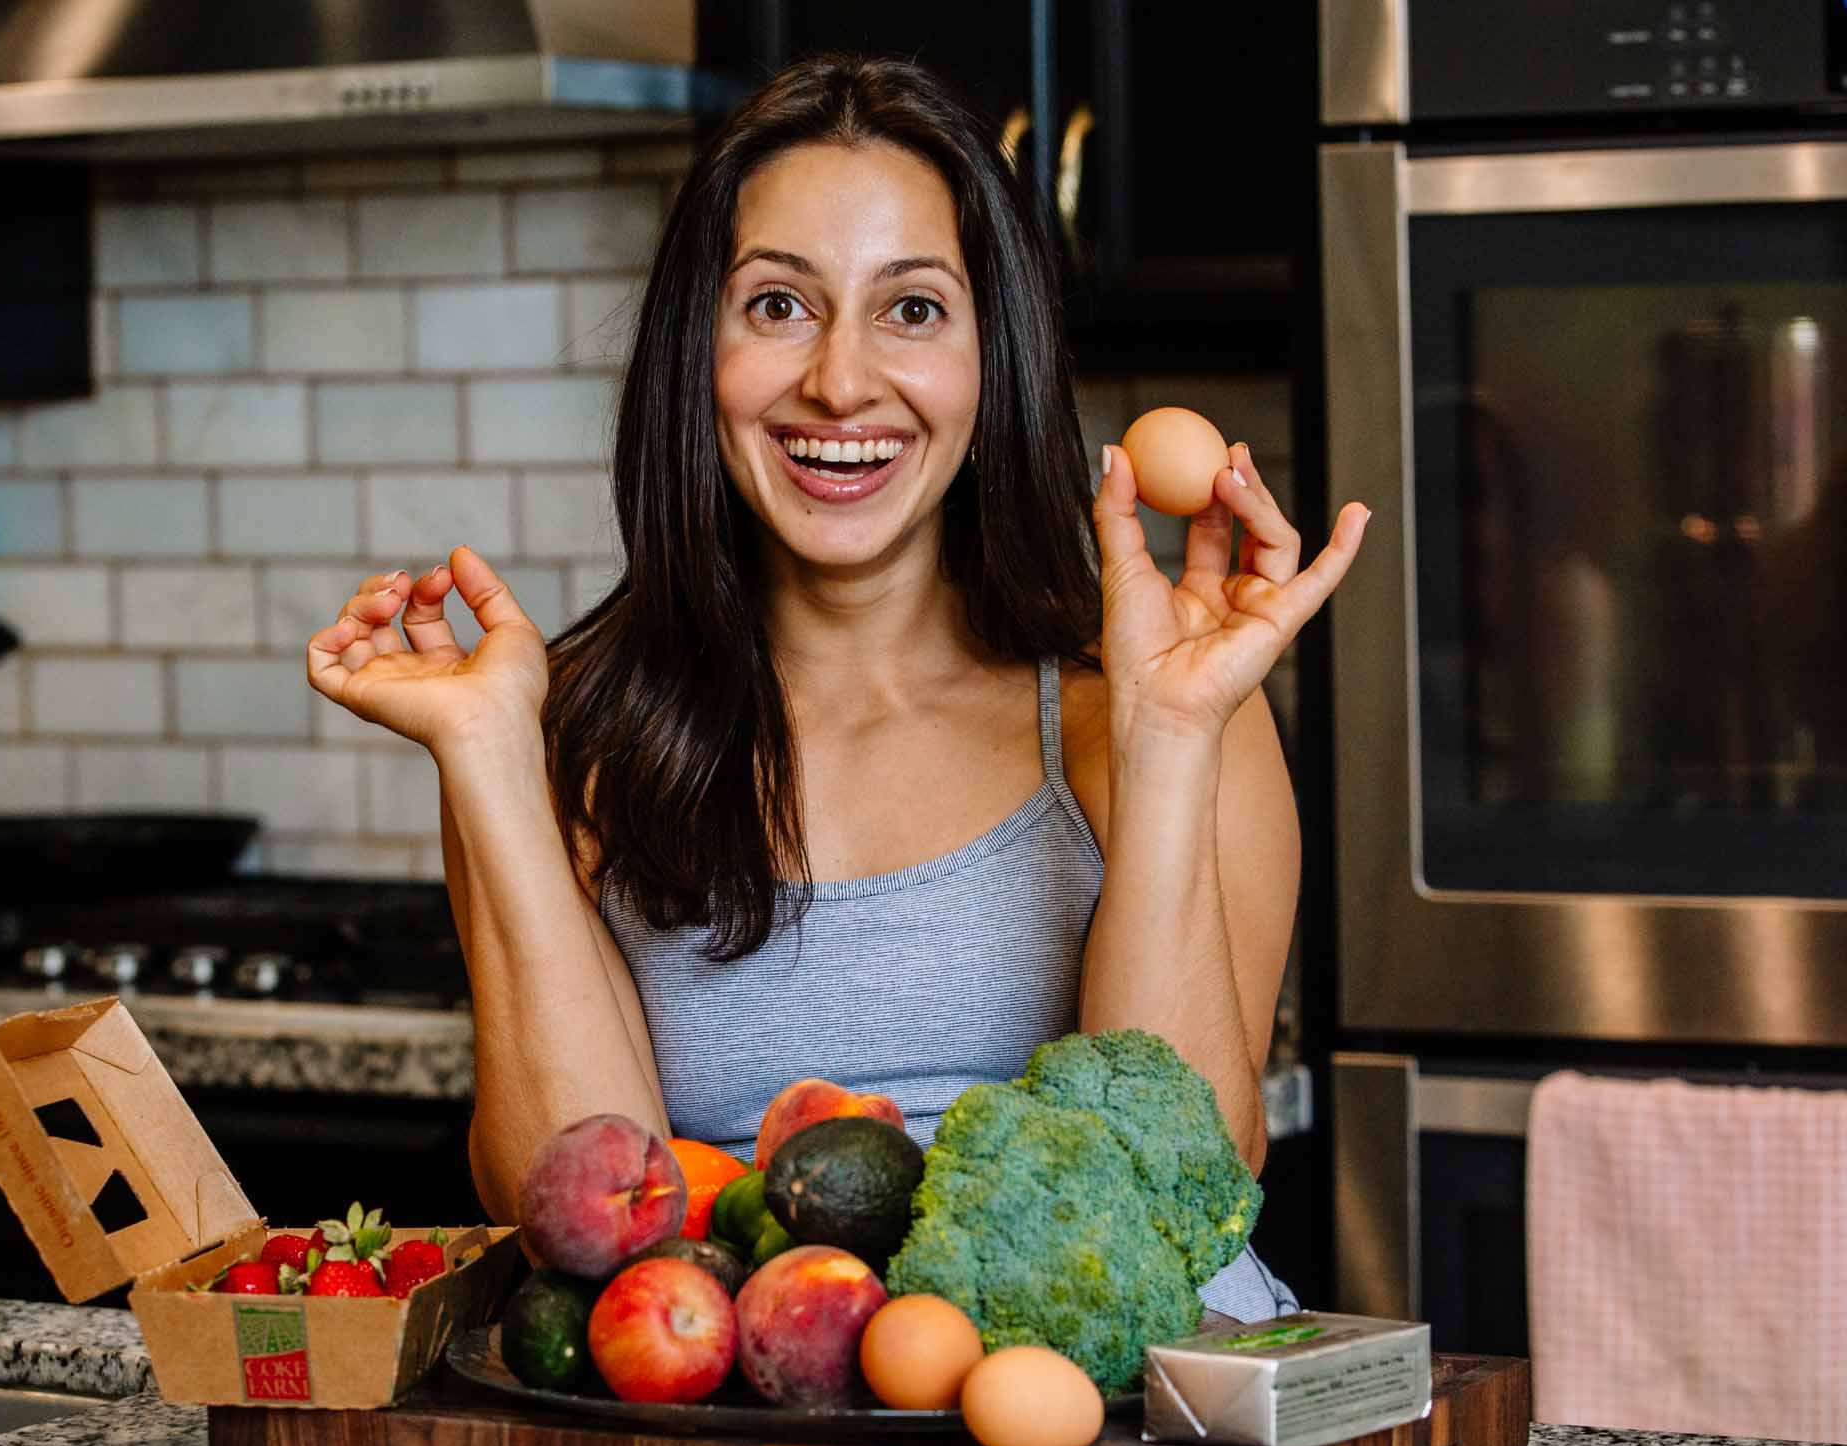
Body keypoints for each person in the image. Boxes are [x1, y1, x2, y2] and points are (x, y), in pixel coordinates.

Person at [307, 56, 1370, 1321]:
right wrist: (488, 762)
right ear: (695, 350)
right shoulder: (576, 735)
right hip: (762, 1426)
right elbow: (574, 1210)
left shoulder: (1133, 706)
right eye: (775, 306)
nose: (840, 381)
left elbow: (1182, 1183)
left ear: (993, 356)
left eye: (911, 309)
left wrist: (1173, 735)